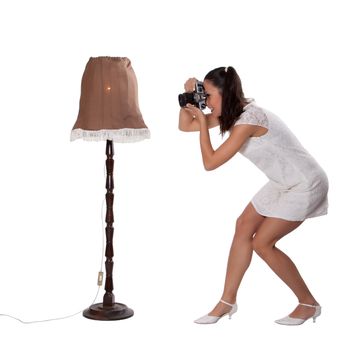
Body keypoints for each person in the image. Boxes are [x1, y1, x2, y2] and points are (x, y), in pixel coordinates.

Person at [178, 66, 328, 326]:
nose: (207, 103)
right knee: (243, 226)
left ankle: (308, 304)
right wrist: (188, 97)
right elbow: (184, 126)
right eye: (204, 97)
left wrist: (203, 122)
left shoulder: (249, 120)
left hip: (305, 183)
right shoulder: (232, 113)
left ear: (226, 94)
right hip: (283, 181)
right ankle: (227, 302)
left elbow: (210, 163)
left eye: (209, 96)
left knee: (262, 243)